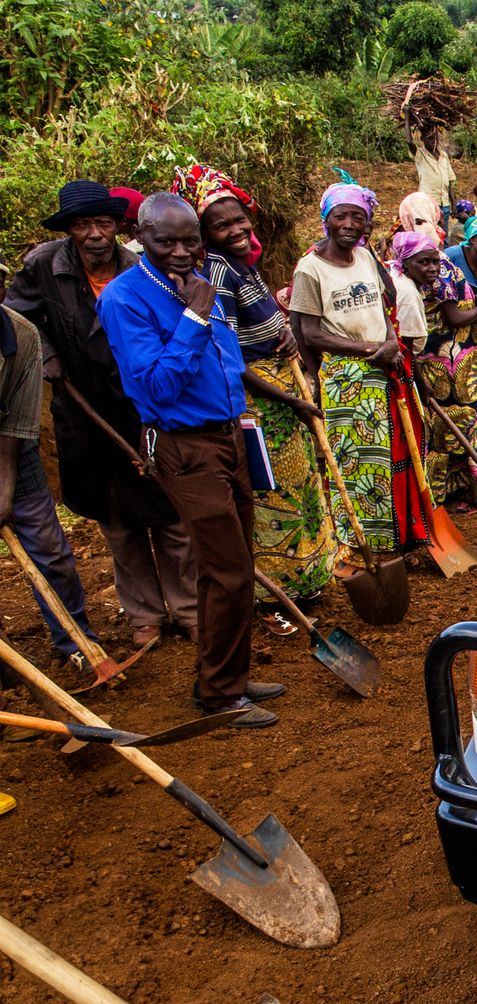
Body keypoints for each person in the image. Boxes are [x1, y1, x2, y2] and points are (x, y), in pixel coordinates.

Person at [97, 194, 282, 727]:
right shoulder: (126, 299)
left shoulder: (202, 279)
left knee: (235, 565)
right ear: (140, 237)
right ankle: (219, 697)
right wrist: (195, 315)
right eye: (166, 242)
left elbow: (226, 362)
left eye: (190, 241)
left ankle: (229, 676)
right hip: (184, 446)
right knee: (226, 571)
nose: (181, 251)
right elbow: (157, 385)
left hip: (229, 437)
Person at [7, 181, 196, 648]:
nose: (94, 233)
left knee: (170, 513)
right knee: (118, 521)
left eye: (103, 223)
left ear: (118, 226)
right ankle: (144, 616)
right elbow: (16, 320)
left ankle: (189, 609)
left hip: (144, 407)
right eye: (82, 224)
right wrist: (46, 353)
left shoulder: (141, 268)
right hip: (83, 414)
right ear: (69, 229)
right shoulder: (44, 266)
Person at [176, 164, 338, 623]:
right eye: (221, 225)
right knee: (272, 500)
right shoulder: (216, 272)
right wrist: (292, 401)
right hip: (262, 406)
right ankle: (275, 597)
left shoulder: (241, 265)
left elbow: (257, 329)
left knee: (300, 490)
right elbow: (228, 357)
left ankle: (306, 580)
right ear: (203, 233)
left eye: (238, 220)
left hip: (285, 395)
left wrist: (283, 334)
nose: (236, 230)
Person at [288, 183, 429, 553]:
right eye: (341, 216)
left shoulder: (366, 259)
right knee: (354, 463)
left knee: (385, 457)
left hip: (381, 366)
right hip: (344, 377)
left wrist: (388, 341)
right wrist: (369, 348)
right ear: (326, 221)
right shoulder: (310, 268)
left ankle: (389, 538)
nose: (350, 224)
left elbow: (382, 307)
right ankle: (357, 542)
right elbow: (308, 331)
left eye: (358, 217)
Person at [0, 292, 106, 670]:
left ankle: (76, 641)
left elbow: (17, 423)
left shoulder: (21, 334)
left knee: (51, 552)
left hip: (13, 450)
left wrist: (5, 492)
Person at [393, 232, 477, 513]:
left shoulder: (439, 271)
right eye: (424, 261)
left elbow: (459, 307)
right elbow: (454, 317)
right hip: (445, 362)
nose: (431, 267)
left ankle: (459, 492)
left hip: (456, 361)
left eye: (433, 260)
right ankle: (445, 493)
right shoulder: (408, 281)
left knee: (456, 429)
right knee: (447, 431)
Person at [408, 123, 457, 210]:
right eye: (430, 138)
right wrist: (406, 115)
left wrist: (453, 202)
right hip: (428, 204)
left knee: (444, 224)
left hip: (444, 203)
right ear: (422, 139)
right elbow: (409, 142)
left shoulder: (444, 156)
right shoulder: (420, 154)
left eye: (435, 138)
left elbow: (449, 180)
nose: (434, 141)